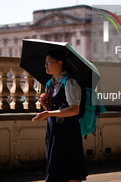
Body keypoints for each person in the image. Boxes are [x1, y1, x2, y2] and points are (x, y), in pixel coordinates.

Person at [32, 49, 88, 182]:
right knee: (55, 168)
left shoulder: (70, 82)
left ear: (60, 63)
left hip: (67, 130)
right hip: (53, 129)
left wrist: (48, 113)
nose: (46, 65)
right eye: (45, 62)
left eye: (49, 62)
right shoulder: (49, 84)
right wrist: (44, 104)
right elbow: (53, 109)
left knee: (70, 169)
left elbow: (74, 110)